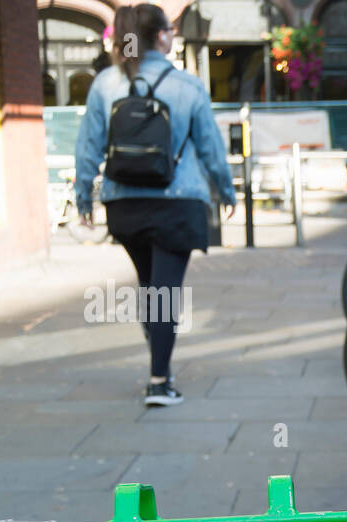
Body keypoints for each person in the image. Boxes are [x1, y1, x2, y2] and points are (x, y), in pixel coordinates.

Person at [75, 4, 236, 406]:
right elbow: (211, 148)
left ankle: (159, 361)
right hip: (176, 201)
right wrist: (226, 190)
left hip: (124, 203)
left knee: (152, 290)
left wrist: (82, 195)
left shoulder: (105, 83)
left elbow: (88, 147)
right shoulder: (187, 85)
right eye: (172, 31)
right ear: (162, 36)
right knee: (164, 291)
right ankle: (159, 380)